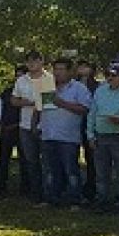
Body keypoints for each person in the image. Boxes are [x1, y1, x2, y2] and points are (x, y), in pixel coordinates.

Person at [38, 58, 92, 208]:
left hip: (68, 137)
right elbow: (41, 108)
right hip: (48, 134)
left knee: (71, 170)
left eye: (62, 69)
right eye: (56, 69)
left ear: (70, 71)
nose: (58, 73)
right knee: (49, 170)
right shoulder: (47, 87)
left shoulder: (79, 88)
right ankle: (51, 198)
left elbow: (85, 109)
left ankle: (75, 199)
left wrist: (63, 104)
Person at [87, 62, 119, 214]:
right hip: (101, 136)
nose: (110, 78)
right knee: (101, 173)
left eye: (113, 75)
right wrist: (90, 135)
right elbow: (92, 113)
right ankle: (102, 202)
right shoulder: (100, 91)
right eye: (108, 75)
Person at [12, 50, 52, 201]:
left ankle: (49, 193)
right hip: (25, 125)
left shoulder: (50, 78)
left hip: (45, 125)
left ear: (42, 61)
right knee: (31, 160)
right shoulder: (21, 80)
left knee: (47, 161)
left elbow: (48, 102)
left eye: (35, 60)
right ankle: (35, 193)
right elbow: (14, 100)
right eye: (29, 61)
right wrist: (29, 102)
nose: (32, 64)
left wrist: (38, 106)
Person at [0, 65, 28, 195]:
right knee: (3, 159)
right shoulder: (7, 92)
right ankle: (0, 186)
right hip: (6, 130)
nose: (18, 78)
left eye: (21, 76)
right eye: (17, 75)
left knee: (24, 159)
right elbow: (1, 110)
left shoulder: (29, 92)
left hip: (22, 128)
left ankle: (26, 187)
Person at [76, 60, 100, 201]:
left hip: (89, 125)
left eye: (86, 66)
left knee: (91, 157)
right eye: (80, 66)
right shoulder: (72, 84)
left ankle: (92, 186)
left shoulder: (97, 86)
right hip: (72, 125)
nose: (82, 69)